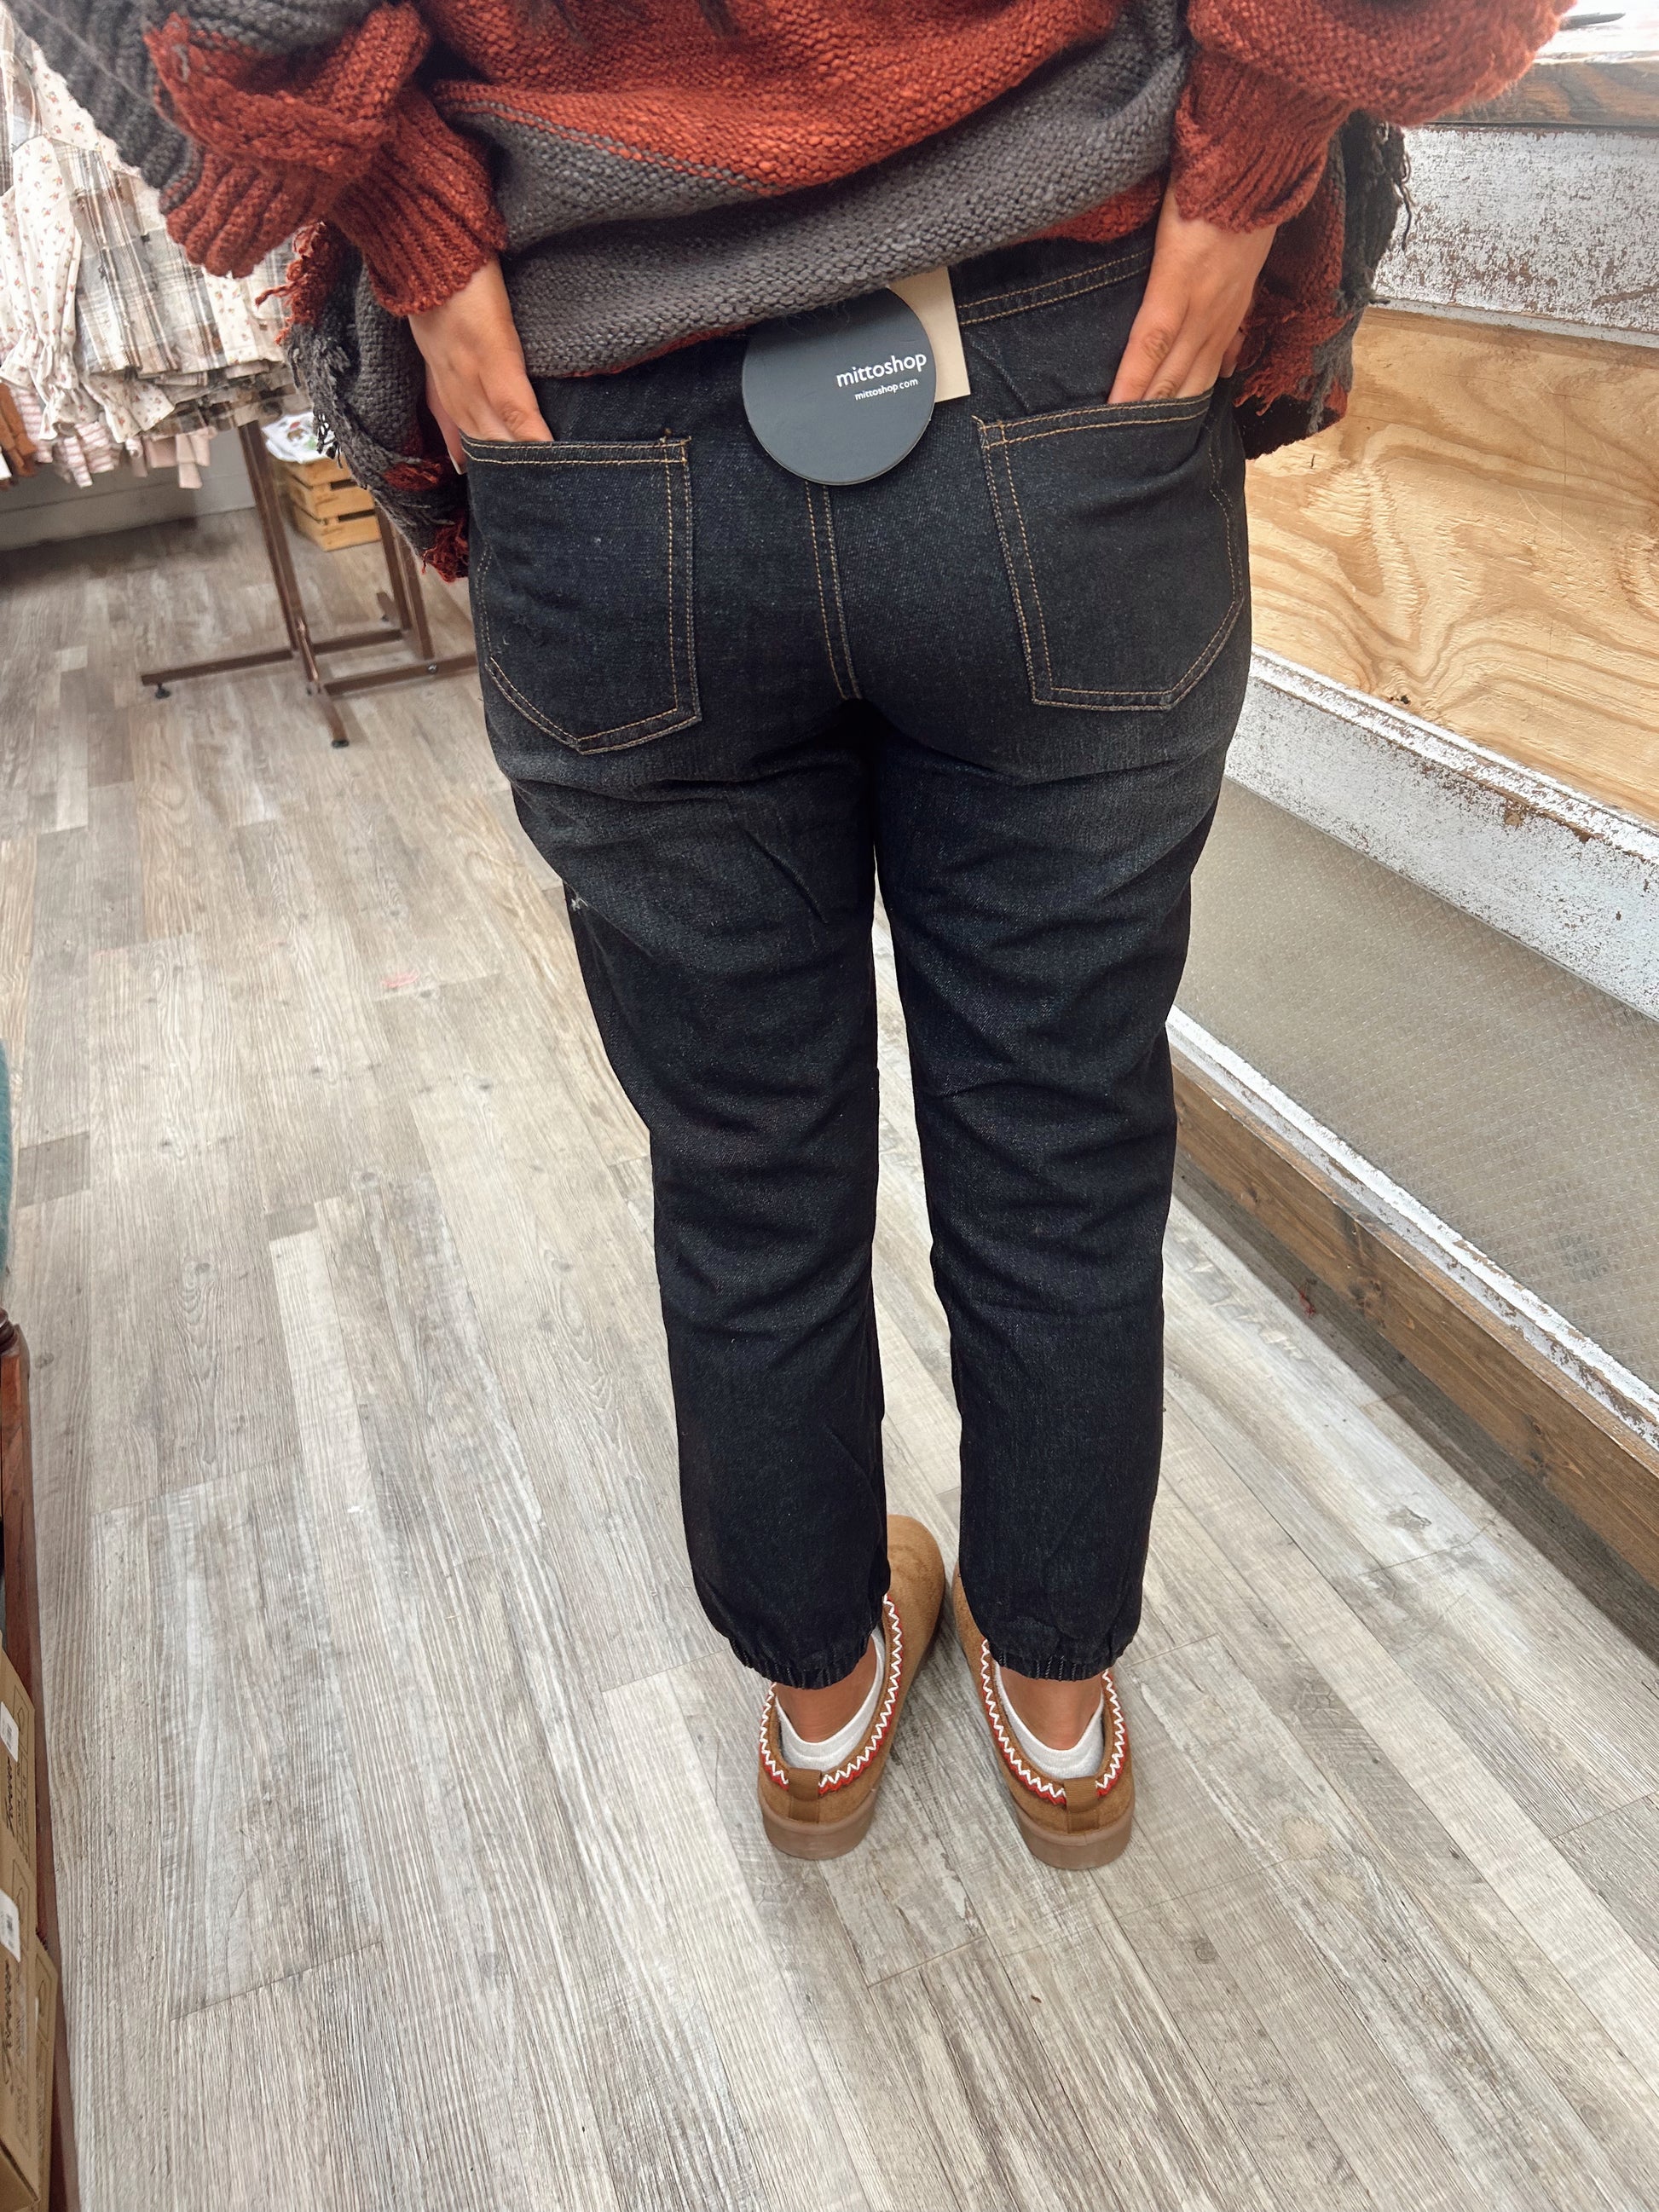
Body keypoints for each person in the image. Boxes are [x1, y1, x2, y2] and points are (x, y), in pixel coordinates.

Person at [36, 0, 1561, 1868]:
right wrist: (1241, 170)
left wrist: (426, 246)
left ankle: (822, 1704)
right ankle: (1056, 1702)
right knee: (1061, 1131)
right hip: (1066, 368)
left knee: (742, 1155)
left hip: (597, 404)